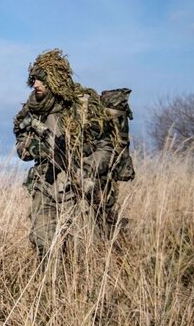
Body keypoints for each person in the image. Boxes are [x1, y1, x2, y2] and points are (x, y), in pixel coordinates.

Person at [13, 49, 116, 258]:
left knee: (84, 248)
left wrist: (88, 172)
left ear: (55, 79)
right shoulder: (33, 110)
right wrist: (38, 148)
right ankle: (49, 285)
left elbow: (105, 145)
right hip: (45, 183)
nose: (35, 84)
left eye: (40, 80)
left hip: (79, 184)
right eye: (33, 79)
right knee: (43, 241)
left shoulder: (84, 106)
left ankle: (78, 287)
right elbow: (21, 147)